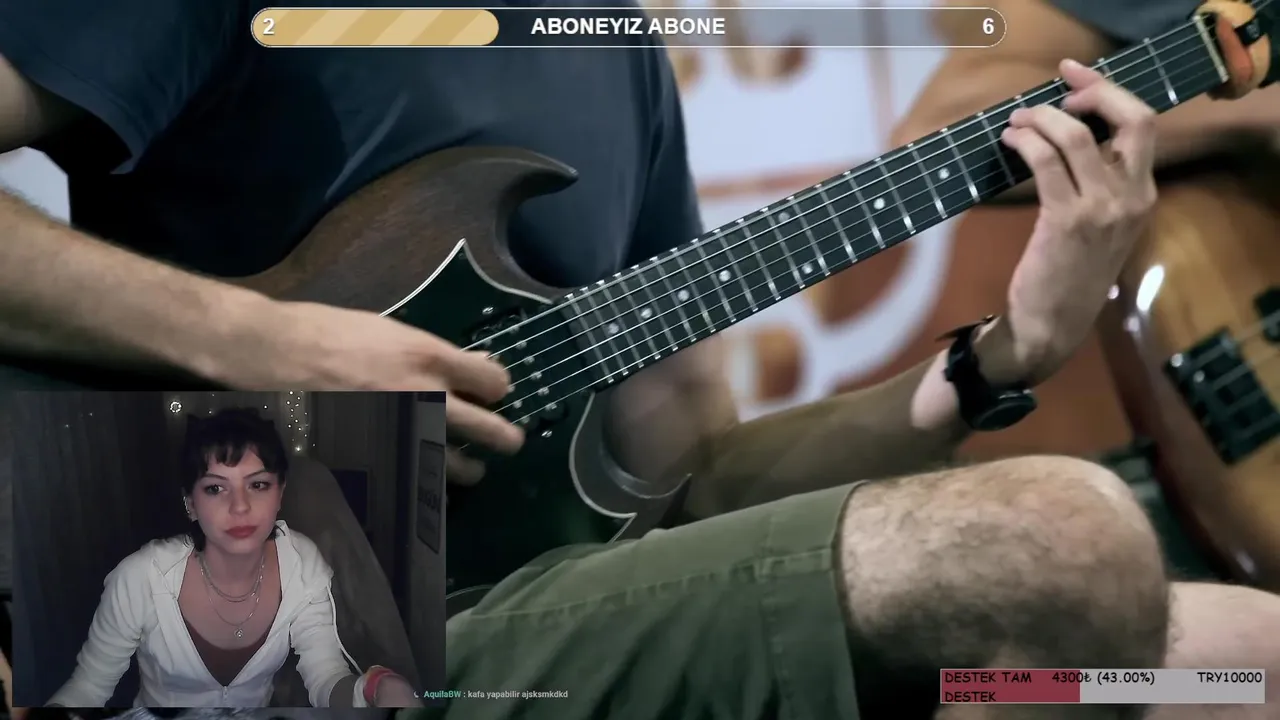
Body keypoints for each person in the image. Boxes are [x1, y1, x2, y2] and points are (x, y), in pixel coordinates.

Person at [0, 0, 1275, 718]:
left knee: (1243, 662)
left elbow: (699, 480)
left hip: (517, 612)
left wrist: (997, 357)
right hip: (222, 638)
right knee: (1062, 540)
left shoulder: (606, 48)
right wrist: (264, 339)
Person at [46, 408, 420, 709]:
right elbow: (87, 689)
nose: (240, 506)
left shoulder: (302, 565)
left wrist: (374, 688)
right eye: (215, 488)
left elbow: (326, 677)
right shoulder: (141, 577)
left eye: (258, 485)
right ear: (191, 504)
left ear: (280, 493)